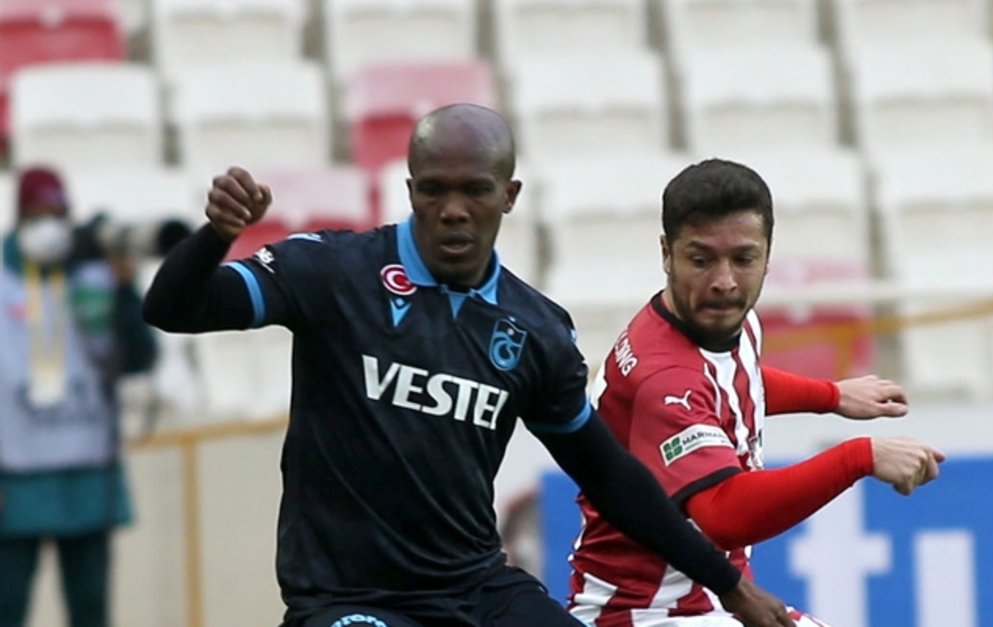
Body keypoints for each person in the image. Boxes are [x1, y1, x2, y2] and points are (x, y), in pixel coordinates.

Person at [142, 104, 797, 627]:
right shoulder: (335, 274)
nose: (453, 209)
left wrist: (728, 584)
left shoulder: (534, 329)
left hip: (473, 589)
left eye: (475, 190)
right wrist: (217, 236)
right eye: (434, 190)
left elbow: (608, 473)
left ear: (508, 195)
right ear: (411, 191)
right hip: (350, 599)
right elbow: (173, 307)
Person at [566, 159, 947, 626]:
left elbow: (732, 381)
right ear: (667, 253)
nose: (724, 281)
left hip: (707, 599)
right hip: (645, 613)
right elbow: (725, 513)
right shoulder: (663, 378)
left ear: (767, 256)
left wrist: (831, 396)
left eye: (743, 259)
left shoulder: (725, 323)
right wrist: (859, 457)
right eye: (701, 260)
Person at [0, 167, 157, 627]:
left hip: (88, 473)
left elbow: (139, 358)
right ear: (19, 217)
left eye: (58, 215)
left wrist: (124, 288)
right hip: (14, 478)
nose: (49, 226)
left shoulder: (95, 272)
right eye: (37, 216)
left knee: (91, 611)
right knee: (7, 606)